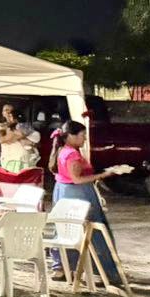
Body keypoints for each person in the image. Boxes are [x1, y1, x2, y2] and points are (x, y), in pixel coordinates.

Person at [49, 121, 125, 286]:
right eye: (82, 135)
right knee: (94, 232)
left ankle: (63, 268)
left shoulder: (63, 151)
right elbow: (77, 179)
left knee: (65, 228)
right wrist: (105, 175)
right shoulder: (72, 155)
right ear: (71, 136)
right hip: (78, 194)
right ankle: (103, 273)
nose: (84, 139)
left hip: (63, 192)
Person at [0, 103, 41, 172]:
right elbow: (2, 139)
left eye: (10, 110)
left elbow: (35, 141)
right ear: (2, 113)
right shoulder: (1, 126)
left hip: (25, 160)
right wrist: (19, 136)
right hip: (10, 160)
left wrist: (27, 140)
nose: (8, 112)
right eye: (6, 110)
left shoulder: (23, 126)